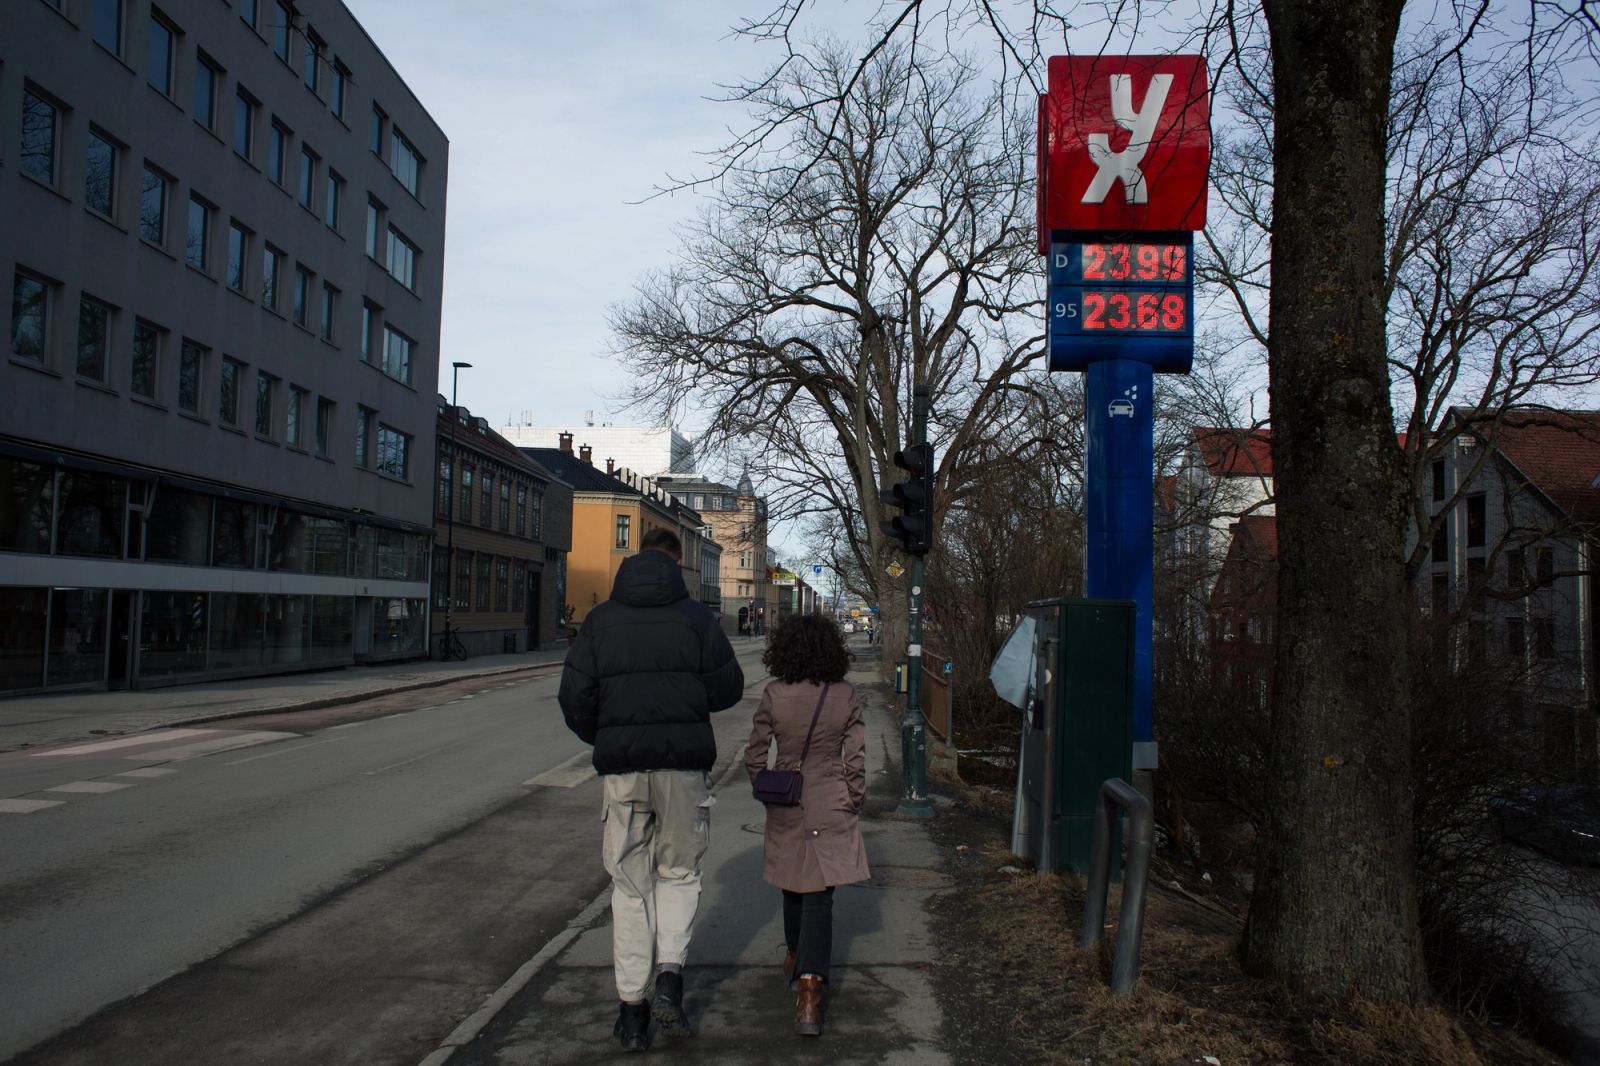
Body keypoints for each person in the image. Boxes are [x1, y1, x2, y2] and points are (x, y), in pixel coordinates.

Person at [559, 527, 745, 1052]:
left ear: (636, 559)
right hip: (682, 768)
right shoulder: (696, 618)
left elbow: (574, 696)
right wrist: (688, 697)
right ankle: (669, 977)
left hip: (623, 771)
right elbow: (728, 688)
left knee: (629, 886)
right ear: (678, 562)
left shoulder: (600, 620)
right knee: (679, 873)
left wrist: (607, 736)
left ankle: (632, 1013)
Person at [743, 614, 870, 1037]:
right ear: (832, 650)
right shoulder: (845, 695)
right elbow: (855, 757)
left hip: (787, 797)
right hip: (830, 797)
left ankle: (796, 956)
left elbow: (755, 753)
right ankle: (810, 992)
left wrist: (765, 787)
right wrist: (854, 798)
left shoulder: (774, 694)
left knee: (792, 882)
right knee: (820, 893)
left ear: (784, 650)